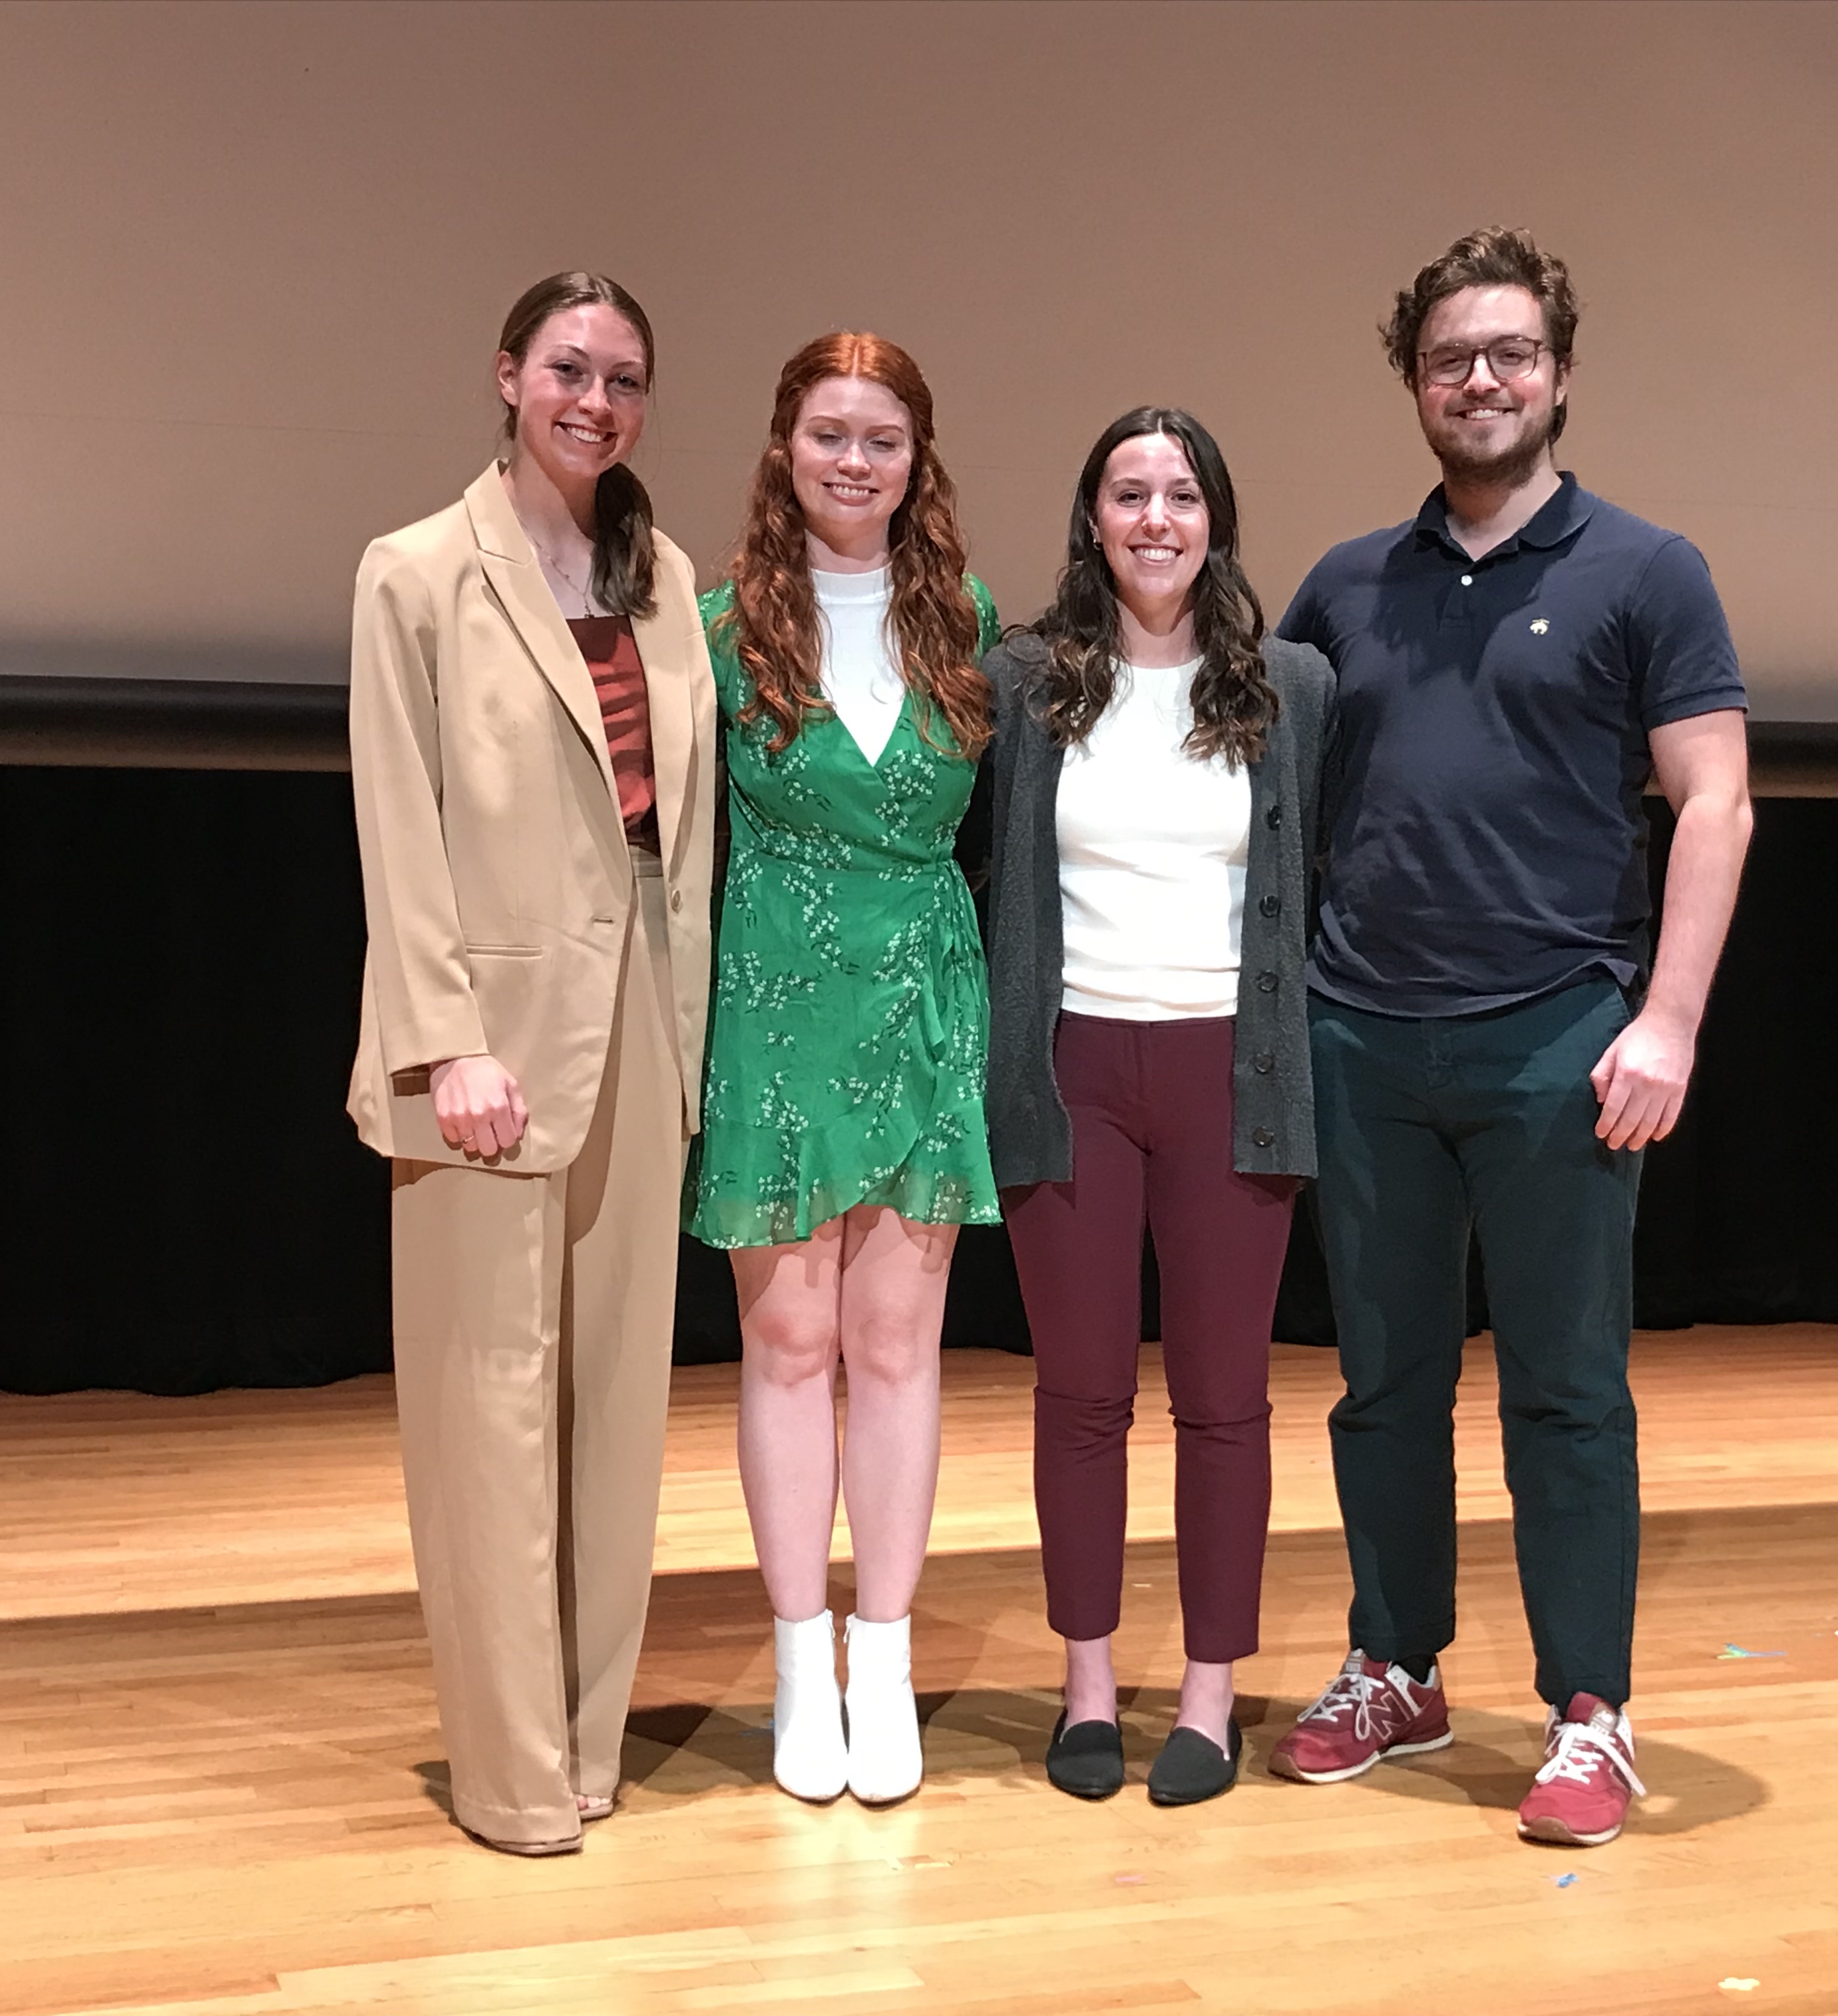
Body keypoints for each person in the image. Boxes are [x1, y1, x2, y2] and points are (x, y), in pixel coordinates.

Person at [1267, 228, 1755, 1849]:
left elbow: (1716, 803)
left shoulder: (1647, 570)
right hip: (1365, 1041)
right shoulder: (1346, 586)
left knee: (1566, 1390)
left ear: (1557, 372)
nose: (1481, 380)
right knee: (1383, 1384)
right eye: (1450, 358)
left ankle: (1591, 1715)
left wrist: (1667, 1023)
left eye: (1511, 354)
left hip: (1561, 1042)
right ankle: (1394, 1671)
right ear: (1413, 382)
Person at [345, 273, 717, 1854]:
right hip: (487, 1039)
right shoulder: (416, 572)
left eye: (625, 378)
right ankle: (504, 1773)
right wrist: (445, 1045)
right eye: (569, 368)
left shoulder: (662, 570)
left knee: (618, 1402)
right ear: (508, 377)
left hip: (646, 1005)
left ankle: (583, 1744)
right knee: (490, 1410)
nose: (597, 400)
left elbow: (677, 828)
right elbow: (397, 818)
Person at [981, 410, 1331, 1807]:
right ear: (1094, 518)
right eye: (1129, 493)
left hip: (1228, 1079)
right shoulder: (1024, 681)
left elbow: (1319, 866)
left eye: (1181, 494)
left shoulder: (1292, 687)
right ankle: (1085, 1690)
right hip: (1071, 1072)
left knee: (1226, 1403)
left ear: (1215, 519)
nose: (1155, 519)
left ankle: (1203, 1700)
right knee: (1079, 1396)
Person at [687, 333, 1001, 1806]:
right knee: (788, 1348)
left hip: (921, 1004)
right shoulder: (719, 626)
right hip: (774, 1010)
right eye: (829, 435)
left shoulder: (970, 623)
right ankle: (799, 1659)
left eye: (882, 437)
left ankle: (887, 1660)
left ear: (915, 457)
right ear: (784, 447)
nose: (855, 460)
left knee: (896, 1350)